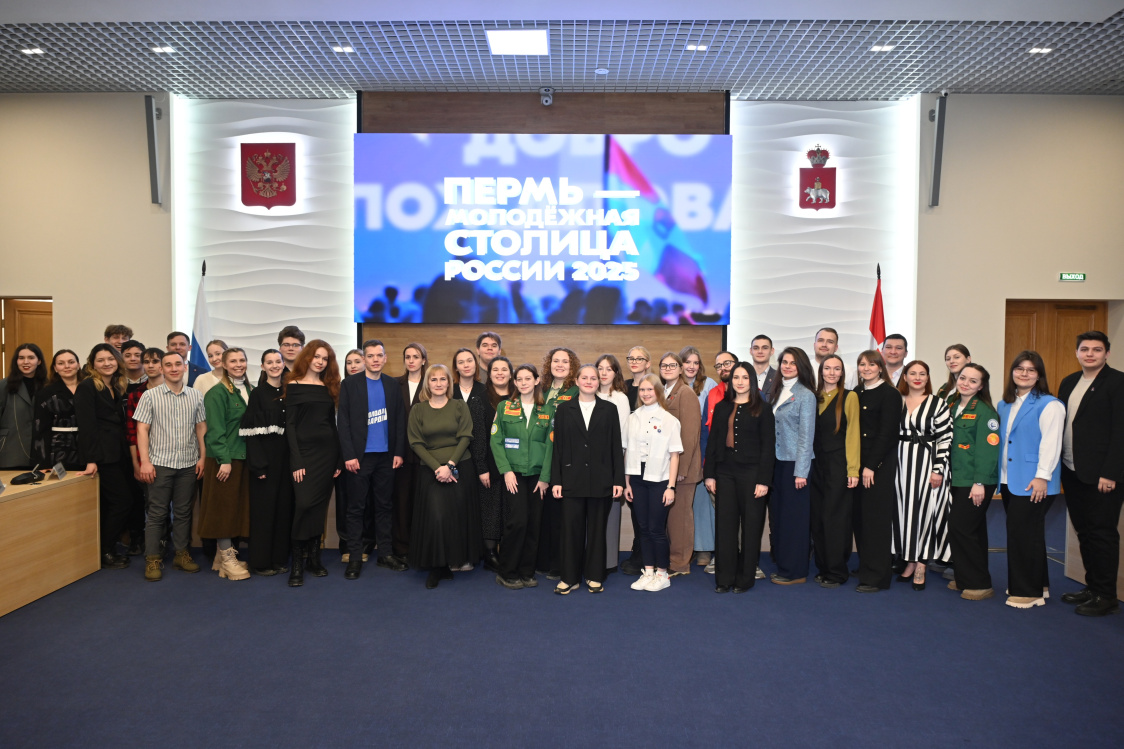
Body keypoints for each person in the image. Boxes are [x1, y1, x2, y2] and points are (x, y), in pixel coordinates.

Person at [1058, 331, 1124, 617]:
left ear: (1106, 354)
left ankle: (1106, 596)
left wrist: (1110, 473)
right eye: (1084, 349)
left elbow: (1121, 431)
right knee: (1084, 531)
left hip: (1102, 477)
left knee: (1102, 534)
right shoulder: (1069, 382)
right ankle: (1092, 586)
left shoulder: (1118, 382)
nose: (1090, 354)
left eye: (1096, 350)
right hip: (1073, 470)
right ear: (1077, 352)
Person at [997, 350, 1063, 609]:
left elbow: (1051, 443)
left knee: (1022, 535)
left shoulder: (1050, 404)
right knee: (1028, 533)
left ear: (1039, 375)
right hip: (1009, 480)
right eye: (1019, 368)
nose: (1024, 373)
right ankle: (1040, 585)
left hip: (1034, 481)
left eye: (1031, 370)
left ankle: (1027, 592)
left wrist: (1042, 477)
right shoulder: (1004, 404)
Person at [133, 350, 207, 581]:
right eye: (168, 365)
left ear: (185, 367)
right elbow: (142, 429)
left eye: (178, 364)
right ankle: (153, 558)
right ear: (161, 369)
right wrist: (145, 462)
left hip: (188, 463)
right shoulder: (150, 396)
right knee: (157, 513)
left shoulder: (195, 395)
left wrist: (203, 457)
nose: (174, 368)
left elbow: (201, 428)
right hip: (159, 464)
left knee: (183, 512)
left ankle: (181, 554)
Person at [550, 364, 624, 594]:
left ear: (599, 382)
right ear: (577, 381)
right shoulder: (564, 410)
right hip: (571, 480)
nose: (589, 381)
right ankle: (569, 578)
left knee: (597, 531)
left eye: (593, 378)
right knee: (570, 532)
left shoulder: (609, 409)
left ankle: (594, 575)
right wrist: (556, 481)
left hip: (601, 480)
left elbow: (615, 447)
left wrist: (618, 480)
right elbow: (558, 448)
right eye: (585, 378)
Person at [338, 339, 408, 580]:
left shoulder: (392, 384)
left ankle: (385, 554)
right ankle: (355, 557)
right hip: (359, 458)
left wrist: (398, 451)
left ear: (385, 358)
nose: (375, 360)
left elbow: (399, 420)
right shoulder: (350, 384)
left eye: (379, 355)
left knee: (384, 507)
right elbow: (343, 422)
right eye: (370, 356)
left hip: (386, 457)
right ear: (364, 359)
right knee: (356, 508)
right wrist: (349, 455)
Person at [705, 362, 776, 592]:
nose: (740, 382)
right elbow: (713, 443)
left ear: (752, 380)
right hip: (725, 473)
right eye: (736, 377)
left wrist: (764, 480)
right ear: (731, 380)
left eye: (745, 377)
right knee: (725, 526)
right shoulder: (722, 407)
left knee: (751, 526)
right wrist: (709, 475)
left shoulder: (763, 409)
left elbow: (768, 447)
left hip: (752, 475)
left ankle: (745, 579)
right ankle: (724, 578)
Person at [407, 364, 480, 588]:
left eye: (443, 379)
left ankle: (454, 561)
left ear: (449, 383)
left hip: (460, 466)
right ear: (427, 384)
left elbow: (466, 436)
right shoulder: (418, 409)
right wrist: (437, 468)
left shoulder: (459, 406)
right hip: (431, 470)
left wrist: (449, 465)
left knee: (457, 515)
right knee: (437, 516)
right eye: (434, 380)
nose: (438, 384)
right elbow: (416, 442)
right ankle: (437, 566)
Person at [284, 340, 342, 587]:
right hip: (304, 456)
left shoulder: (328, 387)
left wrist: (338, 458)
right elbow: (290, 426)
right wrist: (296, 460)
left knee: (318, 507)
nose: (320, 362)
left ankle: (314, 560)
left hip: (327, 455)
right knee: (304, 505)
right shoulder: (293, 385)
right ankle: (297, 563)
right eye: (316, 356)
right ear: (307, 357)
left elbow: (332, 425)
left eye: (325, 358)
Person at [491, 363, 554, 589]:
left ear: (536, 381)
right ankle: (507, 571)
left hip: (537, 477)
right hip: (514, 475)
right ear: (515, 383)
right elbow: (496, 440)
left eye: (528, 378)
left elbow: (551, 446)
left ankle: (527, 571)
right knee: (517, 522)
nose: (524, 383)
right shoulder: (504, 407)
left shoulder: (548, 410)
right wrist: (506, 470)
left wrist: (545, 477)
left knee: (534, 524)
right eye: (520, 379)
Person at [893, 360, 952, 591]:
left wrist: (938, 469)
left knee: (925, 513)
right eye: (913, 373)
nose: (918, 378)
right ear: (905, 377)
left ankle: (921, 564)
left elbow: (945, 438)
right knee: (904, 514)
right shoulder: (896, 401)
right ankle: (909, 560)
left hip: (927, 465)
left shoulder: (938, 404)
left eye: (922, 374)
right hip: (900, 466)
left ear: (928, 378)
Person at [75, 344, 133, 569]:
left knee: (113, 504)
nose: (107, 363)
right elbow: (86, 425)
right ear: (92, 364)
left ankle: (106, 548)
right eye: (101, 360)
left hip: (118, 453)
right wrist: (91, 459)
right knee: (121, 501)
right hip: (102, 455)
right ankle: (105, 551)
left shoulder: (116, 385)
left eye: (110, 359)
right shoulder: (87, 386)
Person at [945, 363, 1000, 601]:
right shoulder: (952, 404)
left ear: (981, 386)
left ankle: (979, 584)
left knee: (961, 528)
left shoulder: (985, 412)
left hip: (976, 481)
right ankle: (966, 578)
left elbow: (988, 451)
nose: (965, 383)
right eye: (963, 378)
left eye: (973, 381)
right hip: (958, 477)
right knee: (973, 529)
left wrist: (980, 483)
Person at [624, 373, 683, 592]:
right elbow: (627, 451)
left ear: (658, 392)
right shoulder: (632, 418)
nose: (646, 393)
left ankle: (662, 573)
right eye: (642, 390)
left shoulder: (669, 420)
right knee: (643, 528)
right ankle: (648, 572)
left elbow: (675, 455)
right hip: (636, 477)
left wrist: (671, 487)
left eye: (650, 389)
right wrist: (627, 483)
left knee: (656, 529)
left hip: (659, 478)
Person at [199, 348, 253, 581]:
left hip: (243, 457)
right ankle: (227, 559)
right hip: (225, 460)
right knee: (223, 509)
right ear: (223, 364)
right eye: (233, 361)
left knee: (235, 509)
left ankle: (220, 558)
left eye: (242, 360)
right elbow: (215, 431)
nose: (238, 364)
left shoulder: (249, 389)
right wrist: (225, 460)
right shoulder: (217, 393)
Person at [853, 350, 904, 592]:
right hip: (858, 465)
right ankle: (866, 565)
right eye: (862, 364)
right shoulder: (857, 392)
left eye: (871, 364)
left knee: (876, 521)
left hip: (878, 466)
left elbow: (887, 434)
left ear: (881, 367)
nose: (866, 368)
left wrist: (871, 466)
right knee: (860, 519)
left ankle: (877, 576)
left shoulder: (890, 394)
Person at [240, 349, 295, 576]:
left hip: (288, 461)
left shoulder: (291, 391)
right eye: (269, 362)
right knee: (264, 513)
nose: (274, 366)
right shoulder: (258, 394)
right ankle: (261, 562)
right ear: (263, 366)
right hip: (265, 463)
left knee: (283, 511)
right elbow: (252, 435)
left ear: (283, 364)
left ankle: (279, 559)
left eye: (278, 361)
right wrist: (258, 465)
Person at [768, 347, 817, 585]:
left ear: (801, 367)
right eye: (784, 362)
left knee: (794, 520)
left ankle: (795, 572)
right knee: (779, 517)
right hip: (776, 463)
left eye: (793, 363)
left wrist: (801, 472)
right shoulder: (776, 390)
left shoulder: (806, 395)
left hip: (795, 467)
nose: (787, 366)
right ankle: (784, 564)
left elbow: (806, 437)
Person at [810, 354, 859, 588]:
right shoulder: (813, 397)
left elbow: (853, 435)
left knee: (835, 519)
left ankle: (837, 571)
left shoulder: (849, 397)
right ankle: (823, 567)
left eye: (836, 369)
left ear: (842, 373)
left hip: (839, 465)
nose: (831, 373)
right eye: (827, 368)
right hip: (816, 466)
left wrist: (853, 470)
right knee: (818, 518)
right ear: (821, 371)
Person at [658, 352, 702, 577]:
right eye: (664, 365)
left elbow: (690, 434)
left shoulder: (686, 393)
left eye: (672, 365)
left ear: (681, 368)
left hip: (682, 470)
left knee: (680, 519)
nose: (668, 368)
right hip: (666, 468)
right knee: (670, 519)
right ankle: (673, 559)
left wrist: (681, 470)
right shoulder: (664, 392)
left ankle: (680, 564)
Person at [538, 346, 580, 579]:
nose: (560, 365)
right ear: (549, 364)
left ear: (572, 366)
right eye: (556, 360)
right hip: (539, 457)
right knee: (544, 514)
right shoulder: (541, 389)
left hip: (564, 459)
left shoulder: (576, 391)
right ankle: (543, 560)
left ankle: (560, 563)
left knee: (560, 515)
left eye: (565, 361)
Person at [451, 347, 493, 571]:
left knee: (478, 508)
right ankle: (457, 553)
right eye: (461, 362)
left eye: (469, 361)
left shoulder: (485, 389)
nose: (466, 365)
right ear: (455, 367)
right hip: (454, 458)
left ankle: (476, 554)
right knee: (457, 508)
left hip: (481, 457)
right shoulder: (449, 390)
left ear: (476, 365)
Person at [681, 345, 718, 569]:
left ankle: (704, 548)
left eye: (696, 363)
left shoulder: (709, 385)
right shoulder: (670, 385)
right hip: (679, 451)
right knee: (684, 504)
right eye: (687, 362)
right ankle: (685, 548)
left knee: (703, 502)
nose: (692, 366)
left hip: (702, 448)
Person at [122, 345, 160, 555]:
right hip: (145, 459)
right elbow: (132, 433)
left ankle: (166, 542)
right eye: (147, 362)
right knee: (151, 505)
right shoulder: (136, 394)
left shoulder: (179, 390)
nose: (151, 365)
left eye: (155, 361)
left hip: (174, 458)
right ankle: (152, 545)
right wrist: (137, 464)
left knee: (174, 507)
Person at [620, 344, 654, 576]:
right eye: (631, 358)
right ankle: (638, 551)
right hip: (630, 456)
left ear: (648, 363)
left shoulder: (653, 386)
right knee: (636, 509)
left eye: (639, 358)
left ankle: (645, 555)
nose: (634, 362)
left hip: (651, 459)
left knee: (649, 513)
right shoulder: (623, 389)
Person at [393, 342, 428, 561]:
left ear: (424, 360)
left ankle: (421, 547)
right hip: (401, 453)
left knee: (422, 502)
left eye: (416, 357)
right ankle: (402, 549)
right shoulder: (395, 384)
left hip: (426, 454)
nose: (411, 361)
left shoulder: (432, 383)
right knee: (402, 502)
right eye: (408, 357)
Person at [595, 353, 630, 571]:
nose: (604, 373)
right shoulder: (587, 394)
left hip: (610, 462)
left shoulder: (620, 398)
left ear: (616, 373)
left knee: (610, 513)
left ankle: (608, 561)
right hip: (587, 464)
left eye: (609, 369)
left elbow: (623, 436)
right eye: (600, 368)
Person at [32, 349, 86, 471]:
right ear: (55, 368)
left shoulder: (90, 388)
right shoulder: (45, 393)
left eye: (71, 362)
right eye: (61, 363)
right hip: (58, 450)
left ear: (78, 365)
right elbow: (40, 429)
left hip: (87, 448)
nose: (67, 366)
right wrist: (43, 462)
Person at [1, 343, 47, 469]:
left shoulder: (47, 385)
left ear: (39, 361)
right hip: (10, 450)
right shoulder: (4, 385)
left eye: (31, 358)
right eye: (21, 358)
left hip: (41, 450)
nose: (26, 362)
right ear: (16, 361)